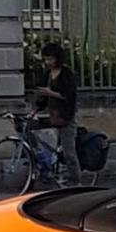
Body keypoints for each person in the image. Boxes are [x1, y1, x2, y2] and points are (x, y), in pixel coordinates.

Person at [32, 43, 79, 177]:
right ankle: (46, 170)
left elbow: (69, 95)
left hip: (65, 116)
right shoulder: (47, 74)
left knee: (69, 152)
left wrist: (51, 93)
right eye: (46, 59)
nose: (48, 62)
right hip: (51, 113)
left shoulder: (66, 74)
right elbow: (43, 97)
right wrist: (37, 107)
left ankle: (76, 180)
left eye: (50, 59)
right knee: (37, 136)